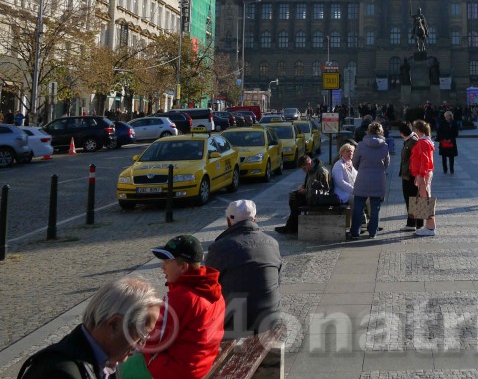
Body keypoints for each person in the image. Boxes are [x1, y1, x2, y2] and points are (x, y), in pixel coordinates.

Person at [17, 277, 163, 379]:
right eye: (141, 336)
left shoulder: (108, 361)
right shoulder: (60, 373)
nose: (141, 346)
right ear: (114, 324)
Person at [126, 234, 225, 379]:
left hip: (178, 371)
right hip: (201, 363)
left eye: (167, 262)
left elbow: (153, 340)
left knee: (120, 367)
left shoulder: (181, 298)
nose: (162, 267)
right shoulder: (213, 290)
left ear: (183, 267)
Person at [204, 200, 282, 337]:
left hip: (235, 323)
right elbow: (277, 281)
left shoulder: (219, 248)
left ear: (229, 221)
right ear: (254, 219)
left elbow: (209, 289)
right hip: (271, 318)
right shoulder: (273, 243)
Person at [350, 121, 390, 239]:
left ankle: (355, 231)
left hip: (363, 178)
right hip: (378, 179)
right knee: (375, 207)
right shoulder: (385, 146)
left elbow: (354, 162)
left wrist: (362, 169)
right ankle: (373, 232)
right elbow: (387, 164)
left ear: (368, 131)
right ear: (381, 131)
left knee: (358, 206)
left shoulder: (361, 145)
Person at [274, 155, 332, 235]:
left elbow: (325, 191)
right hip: (311, 195)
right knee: (293, 197)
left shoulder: (321, 171)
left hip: (318, 199)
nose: (304, 171)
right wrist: (303, 187)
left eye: (304, 168)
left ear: (309, 163)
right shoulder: (310, 171)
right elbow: (311, 184)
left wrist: (307, 191)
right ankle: (292, 226)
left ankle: (290, 227)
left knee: (297, 201)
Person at [410, 120, 437, 236]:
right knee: (426, 197)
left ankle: (430, 227)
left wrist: (421, 175)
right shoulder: (426, 141)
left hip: (424, 174)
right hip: (425, 173)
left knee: (425, 199)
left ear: (417, 130)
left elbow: (424, 160)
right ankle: (429, 226)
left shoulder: (422, 142)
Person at [398, 122, 423, 231]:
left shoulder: (412, 141)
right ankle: (412, 223)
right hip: (409, 174)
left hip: (411, 175)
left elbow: (416, 159)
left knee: (413, 199)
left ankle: (417, 224)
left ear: (401, 133)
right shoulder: (410, 140)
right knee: (411, 199)